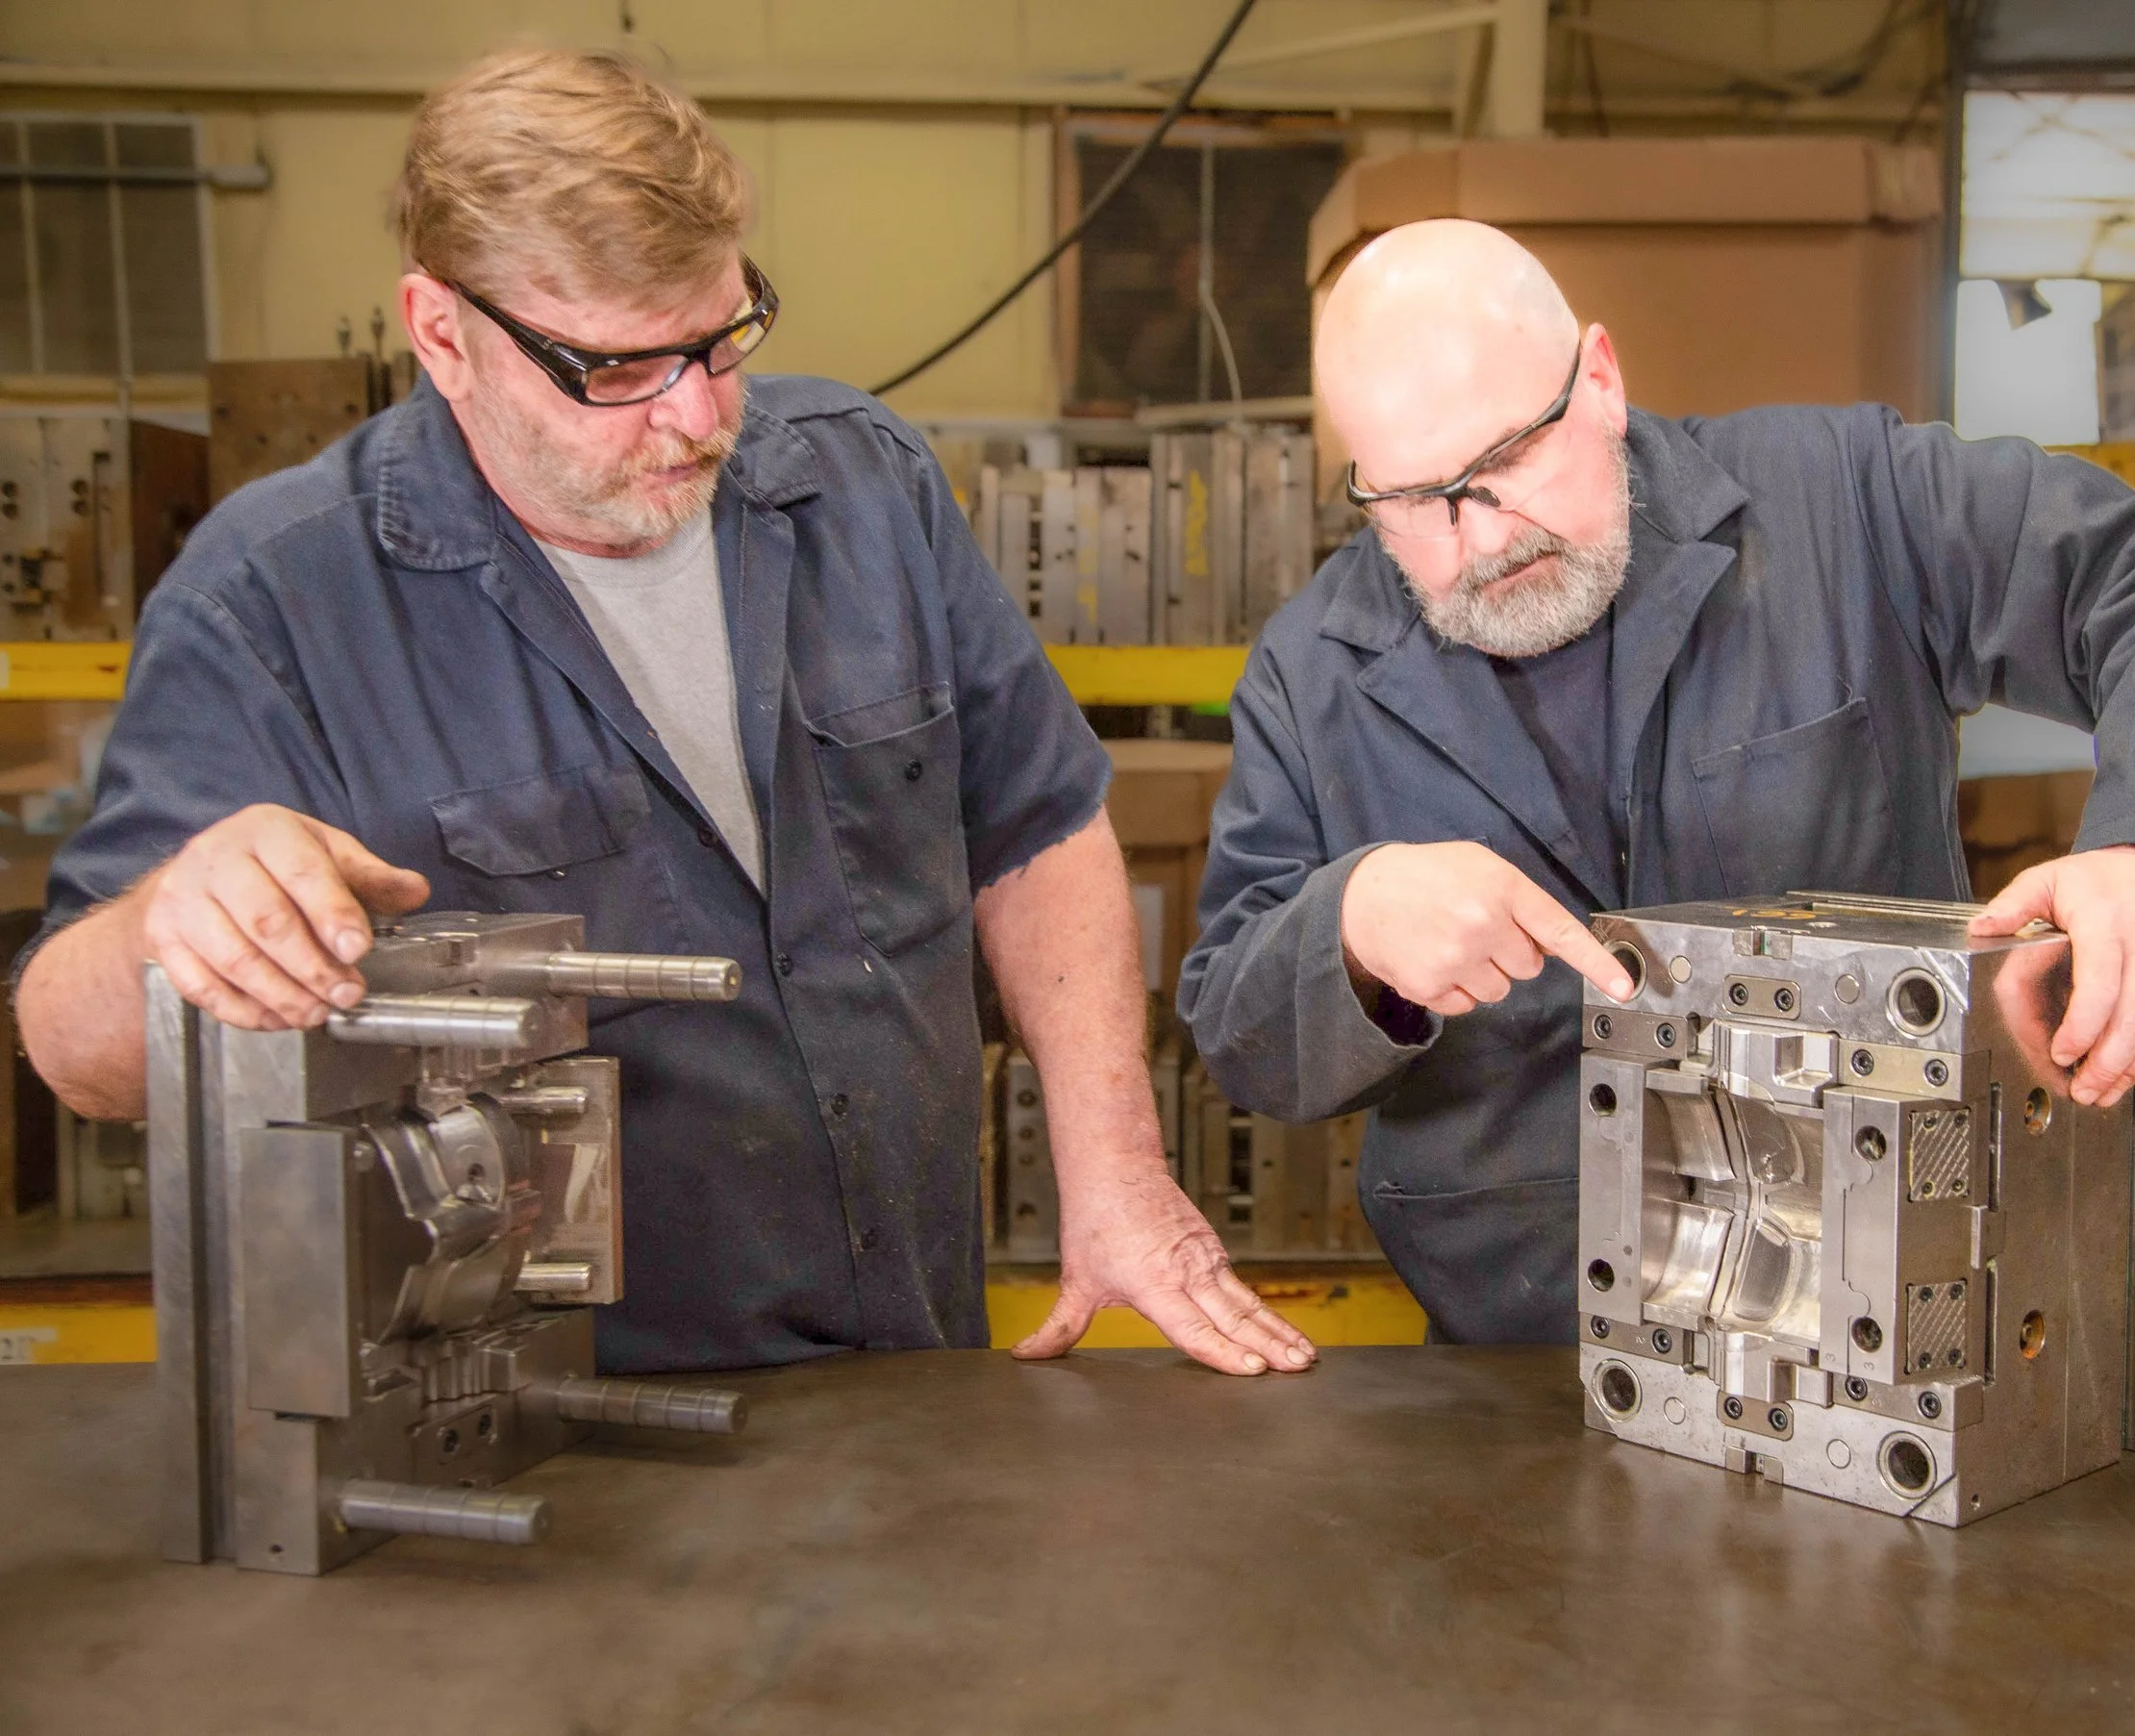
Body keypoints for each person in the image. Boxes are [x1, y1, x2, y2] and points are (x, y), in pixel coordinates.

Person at [14, 49, 1313, 1380]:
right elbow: (79, 1051)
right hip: (548, 1436)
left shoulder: (863, 485)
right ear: (442, 331)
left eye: (722, 336)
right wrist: (177, 919)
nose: (698, 416)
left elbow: (1038, 827)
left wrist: (1114, 1174)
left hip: (915, 1364)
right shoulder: (274, 603)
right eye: (619, 369)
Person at [1180, 218, 2135, 1344]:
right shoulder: (1311, 669)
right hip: (1521, 1355)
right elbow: (1239, 1028)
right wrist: (1353, 933)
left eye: (1509, 458)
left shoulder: (1839, 506)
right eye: (1415, 500)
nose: (1480, 537)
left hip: (1887, 1315)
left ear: (1600, 380)